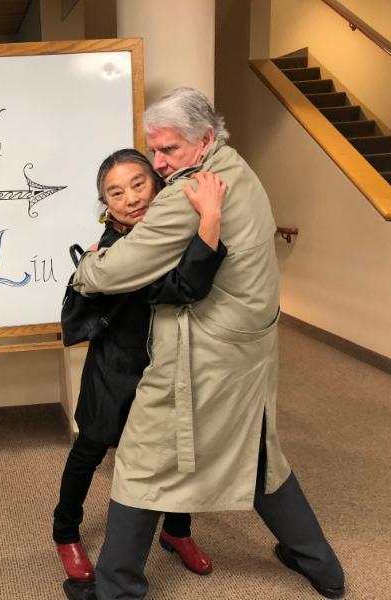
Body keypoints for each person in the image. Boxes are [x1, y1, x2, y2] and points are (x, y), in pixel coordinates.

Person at [69, 88, 345, 600]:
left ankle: (116, 589)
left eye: (168, 149)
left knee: (142, 461)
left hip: (207, 353)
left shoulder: (189, 192)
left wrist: (85, 267)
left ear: (204, 140)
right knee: (258, 453)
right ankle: (321, 565)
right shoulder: (239, 168)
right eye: (153, 149)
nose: (157, 163)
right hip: (249, 348)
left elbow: (112, 272)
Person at [55, 149, 227, 588]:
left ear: (157, 184)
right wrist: (210, 219)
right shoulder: (113, 251)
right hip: (117, 364)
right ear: (106, 205)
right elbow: (184, 286)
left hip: (171, 362)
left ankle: (177, 530)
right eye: (116, 193)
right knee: (90, 449)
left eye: (138, 184)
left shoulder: (171, 232)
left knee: (177, 450)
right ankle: (65, 531)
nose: (131, 198)